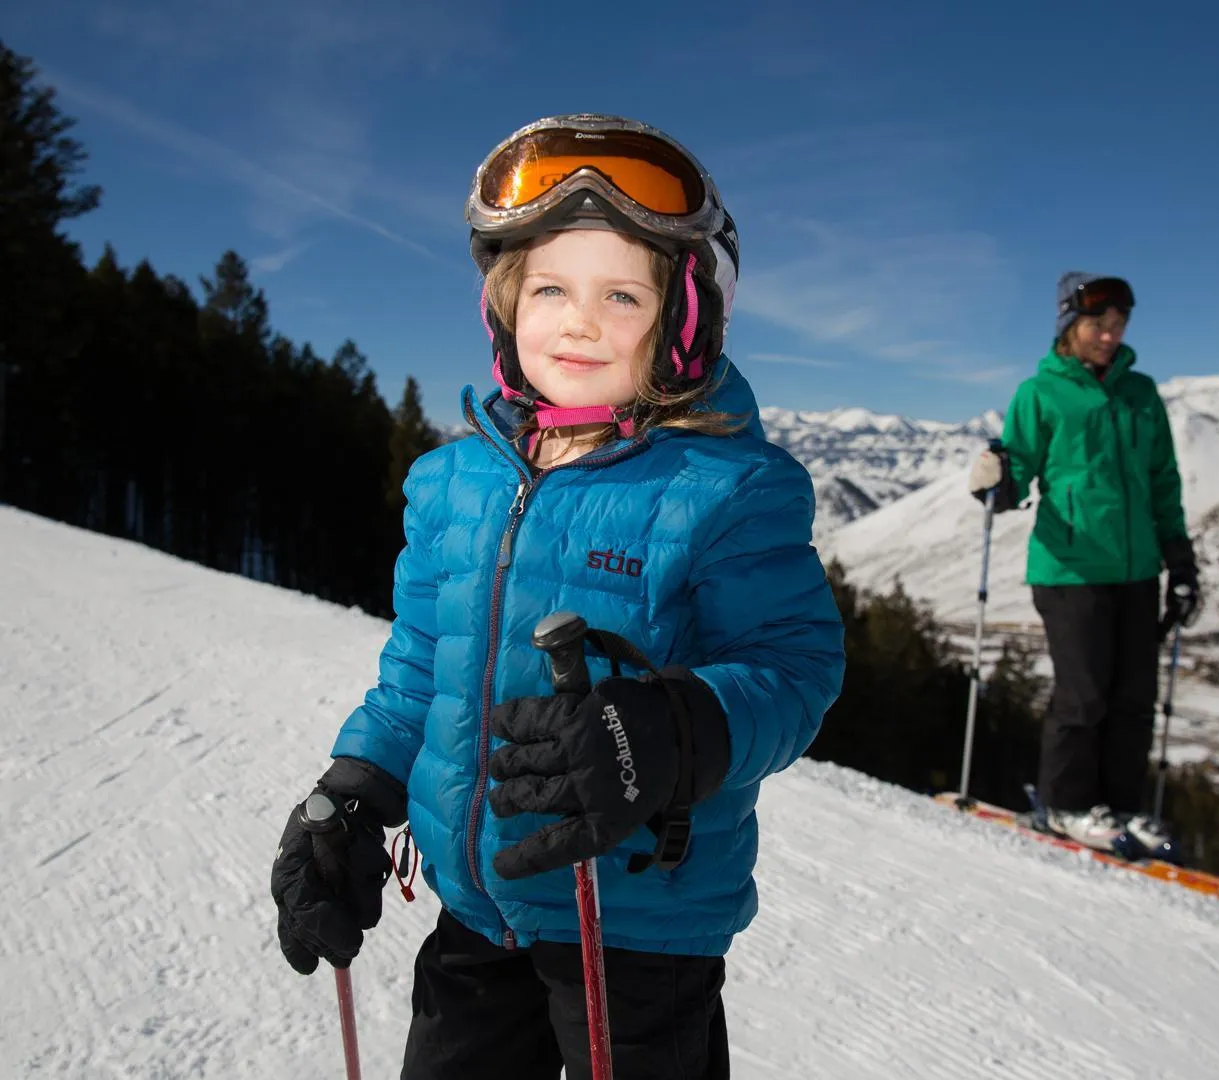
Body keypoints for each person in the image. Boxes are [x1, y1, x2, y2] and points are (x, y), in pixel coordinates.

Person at [270, 114, 845, 1080]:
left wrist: (670, 730)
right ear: (505, 309)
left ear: (682, 323)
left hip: (640, 935)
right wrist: (356, 788)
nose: (578, 320)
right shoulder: (449, 485)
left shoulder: (729, 488)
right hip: (475, 915)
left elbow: (794, 672)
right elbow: (420, 667)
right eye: (549, 289)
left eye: (622, 294)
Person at [967, 272, 1198, 856]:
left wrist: (1181, 563)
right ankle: (1065, 805)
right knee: (1085, 694)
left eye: (1119, 325)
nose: (1110, 336)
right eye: (1099, 325)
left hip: (1138, 569)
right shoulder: (1040, 394)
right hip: (1069, 568)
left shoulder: (1141, 394)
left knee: (1133, 697)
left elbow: (1162, 482)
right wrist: (995, 483)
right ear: (1071, 326)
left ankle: (1119, 807)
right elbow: (1017, 469)